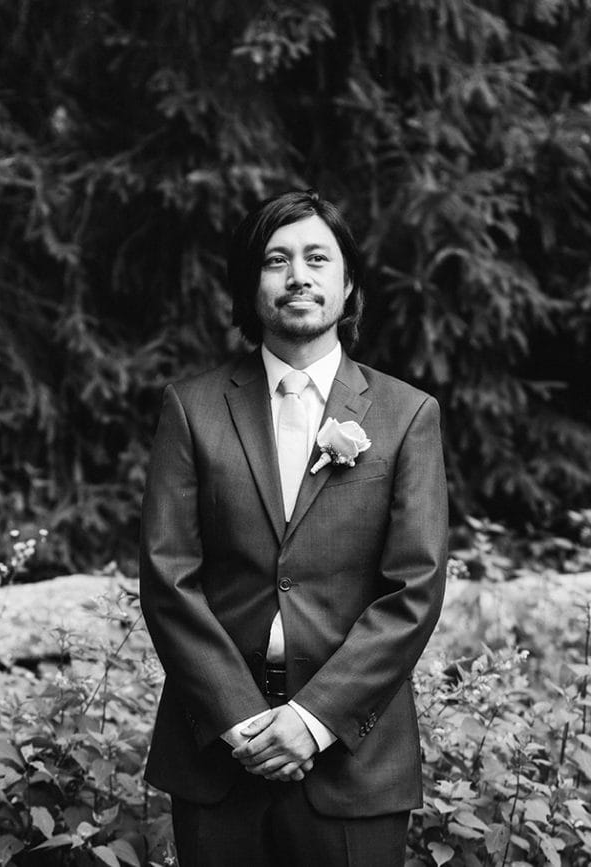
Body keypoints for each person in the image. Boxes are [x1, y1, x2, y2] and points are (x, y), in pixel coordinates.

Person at [139, 190, 448, 866]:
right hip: (221, 755)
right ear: (251, 286)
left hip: (354, 758)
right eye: (276, 260)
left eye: (317, 258)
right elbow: (169, 578)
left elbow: (413, 589)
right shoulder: (192, 410)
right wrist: (242, 719)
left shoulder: (405, 415)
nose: (298, 276)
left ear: (348, 283)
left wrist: (311, 723)